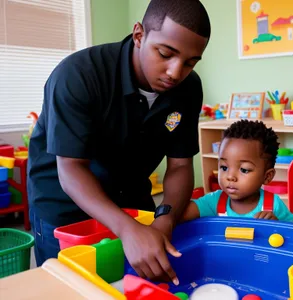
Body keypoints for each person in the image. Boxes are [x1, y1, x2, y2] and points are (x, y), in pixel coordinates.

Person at [27, 0, 211, 284]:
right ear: (139, 35)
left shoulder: (188, 89)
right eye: (165, 53)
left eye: (189, 62)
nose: (176, 72)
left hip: (132, 196)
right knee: (70, 287)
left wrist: (165, 218)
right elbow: (71, 169)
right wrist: (128, 230)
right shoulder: (79, 75)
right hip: (66, 203)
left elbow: (180, 166)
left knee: (133, 285)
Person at [182, 120, 293, 223]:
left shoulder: (273, 205)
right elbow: (179, 215)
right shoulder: (213, 201)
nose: (230, 177)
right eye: (224, 167)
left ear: (267, 176)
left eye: (244, 170)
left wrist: (277, 225)